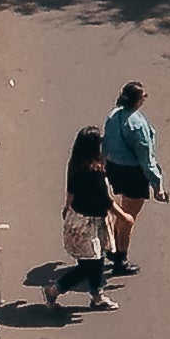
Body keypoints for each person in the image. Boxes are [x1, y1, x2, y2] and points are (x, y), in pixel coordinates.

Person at [102, 78, 166, 266]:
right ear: (137, 101)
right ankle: (120, 258)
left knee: (123, 207)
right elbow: (146, 159)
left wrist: (103, 164)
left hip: (115, 169)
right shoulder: (137, 125)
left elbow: (105, 143)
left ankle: (113, 246)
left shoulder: (113, 116)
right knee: (129, 216)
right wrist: (157, 184)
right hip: (133, 174)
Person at [59, 126, 117, 311]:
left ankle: (97, 295)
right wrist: (124, 216)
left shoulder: (75, 164)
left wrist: (67, 207)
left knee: (94, 260)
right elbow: (105, 200)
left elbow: (71, 190)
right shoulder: (95, 172)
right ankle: (55, 289)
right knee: (90, 264)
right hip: (90, 224)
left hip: (77, 219)